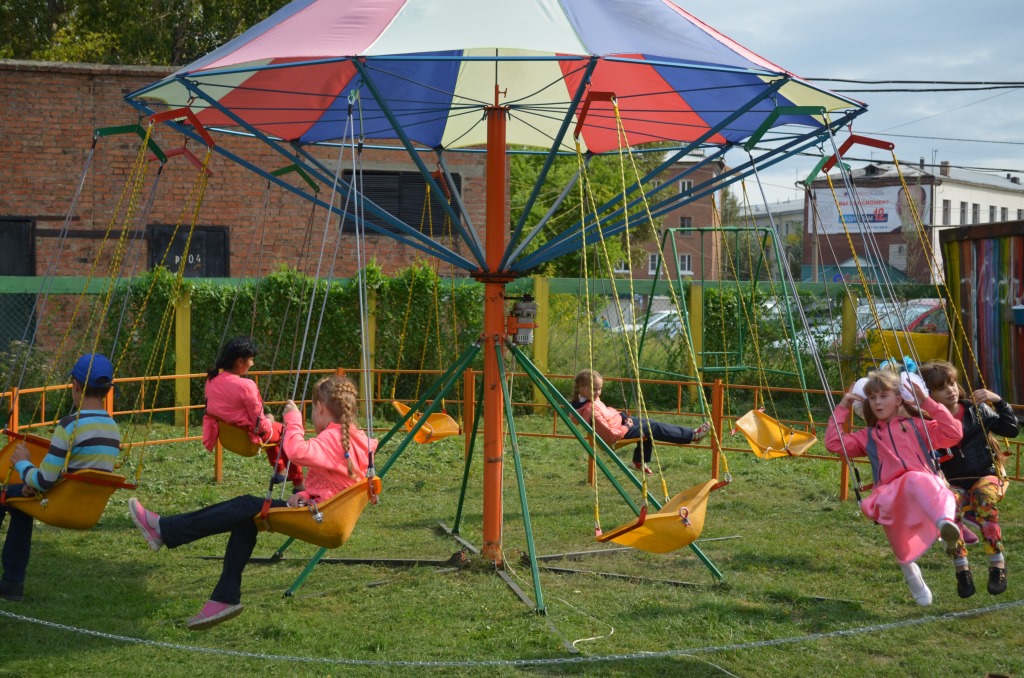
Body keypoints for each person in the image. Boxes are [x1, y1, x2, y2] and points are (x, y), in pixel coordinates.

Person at [128, 375, 374, 630]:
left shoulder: (333, 437)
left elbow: (296, 452)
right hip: (326, 514)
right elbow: (337, 483)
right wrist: (304, 495)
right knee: (247, 518)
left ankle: (165, 530)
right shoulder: (355, 439)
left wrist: (293, 421)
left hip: (323, 520)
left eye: (312, 409)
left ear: (320, 408)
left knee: (245, 505)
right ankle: (224, 597)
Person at [825, 369, 963, 606]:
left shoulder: (917, 426)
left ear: (898, 399)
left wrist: (927, 402)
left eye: (883, 396)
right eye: (872, 397)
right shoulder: (868, 436)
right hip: (889, 493)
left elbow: (953, 433)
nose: (877, 402)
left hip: (923, 486)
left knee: (918, 480)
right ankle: (911, 573)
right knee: (901, 546)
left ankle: (944, 523)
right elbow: (833, 444)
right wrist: (842, 407)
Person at [1, 353, 120, 602]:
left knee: (3, 495)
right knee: (20, 505)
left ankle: (12, 582)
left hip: (59, 505)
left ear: (75, 386)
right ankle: (11, 586)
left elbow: (44, 480)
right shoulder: (112, 427)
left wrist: (23, 464)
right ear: (108, 391)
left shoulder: (69, 426)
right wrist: (32, 487)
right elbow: (76, 475)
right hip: (86, 508)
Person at [919, 360, 1019, 598]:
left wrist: (999, 402)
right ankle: (962, 571)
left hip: (984, 474)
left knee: (984, 499)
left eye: (952, 384)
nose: (951, 390)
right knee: (948, 510)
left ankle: (997, 565)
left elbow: (1011, 429)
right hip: (952, 482)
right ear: (928, 395)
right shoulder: (926, 423)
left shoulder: (977, 410)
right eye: (942, 388)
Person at [202, 337, 304, 492]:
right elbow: (260, 426)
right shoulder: (246, 386)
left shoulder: (212, 379)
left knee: (276, 429)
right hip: (248, 439)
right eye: (250, 360)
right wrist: (269, 420)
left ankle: (280, 471)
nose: (252, 364)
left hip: (228, 435)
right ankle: (299, 484)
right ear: (240, 362)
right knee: (287, 431)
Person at [569, 369, 710, 475]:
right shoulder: (590, 410)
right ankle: (692, 435)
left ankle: (638, 462)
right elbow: (610, 436)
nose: (598, 392)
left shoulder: (589, 399)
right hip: (618, 434)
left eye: (600, 388)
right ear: (582, 388)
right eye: (595, 389)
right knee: (651, 427)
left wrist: (621, 416)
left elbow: (605, 413)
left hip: (619, 423)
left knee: (647, 422)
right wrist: (627, 426)